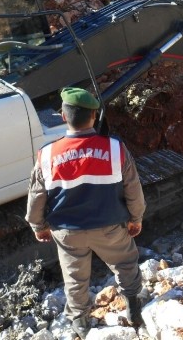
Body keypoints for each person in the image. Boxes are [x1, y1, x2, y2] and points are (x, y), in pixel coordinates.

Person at [25, 87, 146, 339]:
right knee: (124, 263)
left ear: (62, 116)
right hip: (110, 227)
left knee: (75, 277)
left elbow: (36, 197)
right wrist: (136, 218)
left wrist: (38, 226)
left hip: (68, 232)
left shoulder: (47, 154)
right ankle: (133, 307)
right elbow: (133, 189)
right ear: (94, 117)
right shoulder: (115, 149)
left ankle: (80, 322)